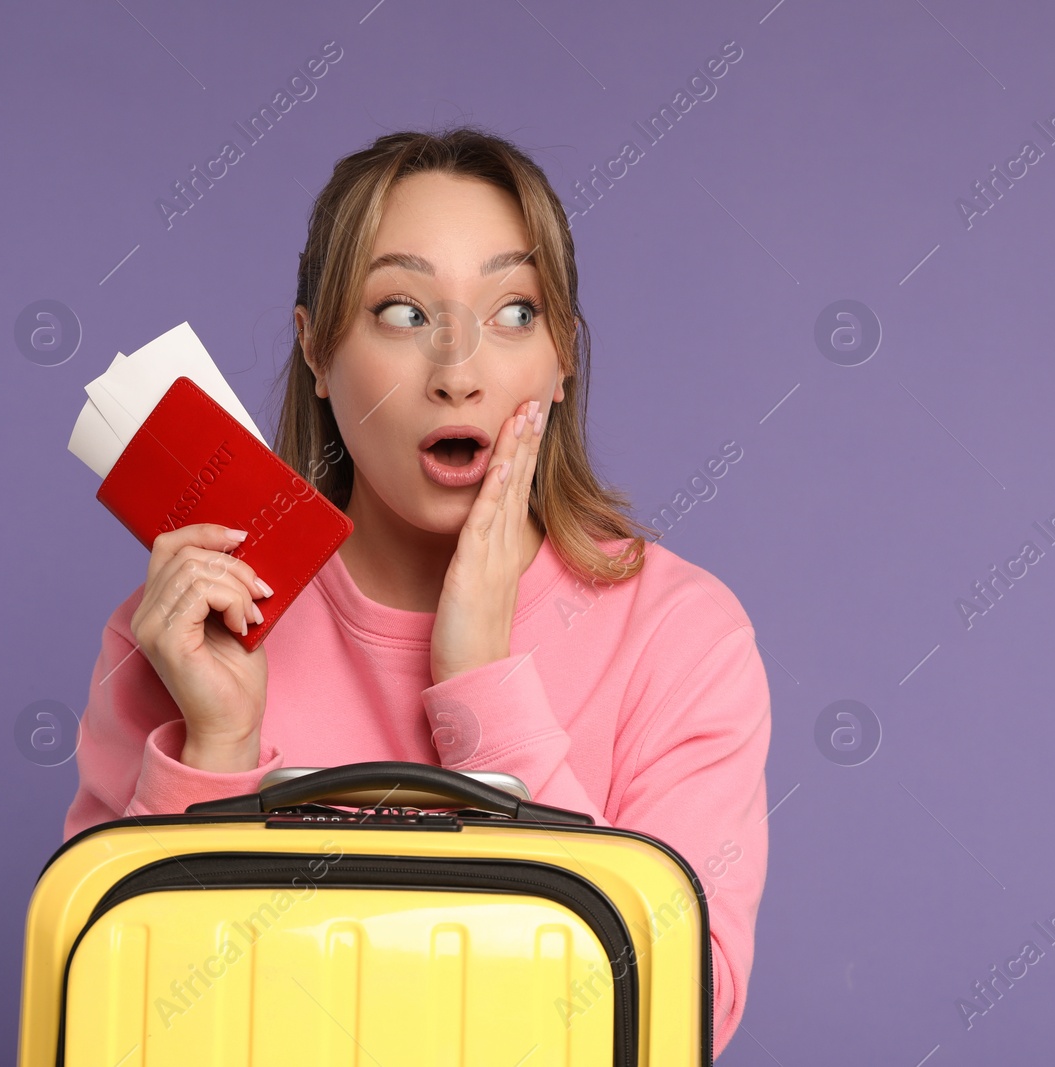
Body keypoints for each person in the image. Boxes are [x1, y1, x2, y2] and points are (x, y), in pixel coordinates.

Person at [63, 127, 771, 1058]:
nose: (458, 372)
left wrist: (483, 688)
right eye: (401, 311)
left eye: (514, 311)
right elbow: (110, 1026)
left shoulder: (681, 635)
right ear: (316, 353)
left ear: (562, 359)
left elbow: (677, 1022)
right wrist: (217, 749)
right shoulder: (181, 637)